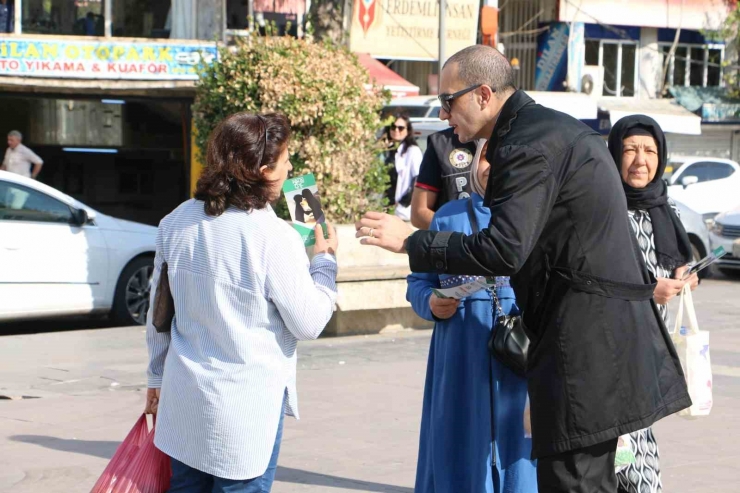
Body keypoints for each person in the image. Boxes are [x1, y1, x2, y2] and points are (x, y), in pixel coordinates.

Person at [355, 45, 690, 492]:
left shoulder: (528, 141)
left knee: (574, 482)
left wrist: (413, 242)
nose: (444, 115)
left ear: (483, 94)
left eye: (448, 102)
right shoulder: (544, 129)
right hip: (585, 345)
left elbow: (504, 249)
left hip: (585, 349)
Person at [145, 112, 339, 492]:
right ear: (264, 169)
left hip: (183, 405)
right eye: (285, 161)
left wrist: (155, 376)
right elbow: (309, 322)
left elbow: (159, 314)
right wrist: (325, 262)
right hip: (244, 419)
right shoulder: (273, 237)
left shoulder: (175, 221)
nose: (291, 168)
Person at [408, 140, 537, 493]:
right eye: (486, 157)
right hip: (460, 363)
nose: (492, 167)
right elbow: (418, 283)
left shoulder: (535, 218)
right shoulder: (447, 216)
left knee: (521, 457)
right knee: (459, 450)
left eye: (504, 157)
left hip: (520, 362)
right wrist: (431, 303)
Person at [608, 115, 699, 493]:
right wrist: (649, 291)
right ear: (613, 154)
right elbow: (591, 278)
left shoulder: (668, 210)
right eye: (629, 150)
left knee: (629, 442)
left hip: (650, 350)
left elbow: (679, 260)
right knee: (623, 445)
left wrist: (688, 276)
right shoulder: (601, 210)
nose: (640, 160)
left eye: (649, 151)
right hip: (611, 348)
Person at [411, 127, 478, 229]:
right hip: (457, 242)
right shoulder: (441, 143)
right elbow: (419, 213)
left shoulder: (508, 140)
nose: (443, 115)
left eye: (450, 109)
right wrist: (463, 233)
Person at [389, 114, 423, 221]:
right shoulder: (388, 150)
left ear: (408, 130)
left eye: (401, 128)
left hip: (403, 212)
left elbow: (418, 179)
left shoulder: (413, 151)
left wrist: (404, 202)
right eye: (393, 127)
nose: (396, 130)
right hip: (387, 208)